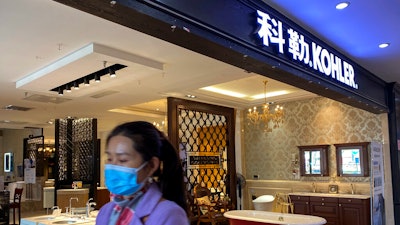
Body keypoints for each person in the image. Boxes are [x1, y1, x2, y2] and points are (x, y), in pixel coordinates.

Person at [96, 121, 189, 225]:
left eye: (122, 160)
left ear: (151, 165)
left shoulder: (169, 214)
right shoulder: (105, 212)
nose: (113, 167)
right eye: (109, 158)